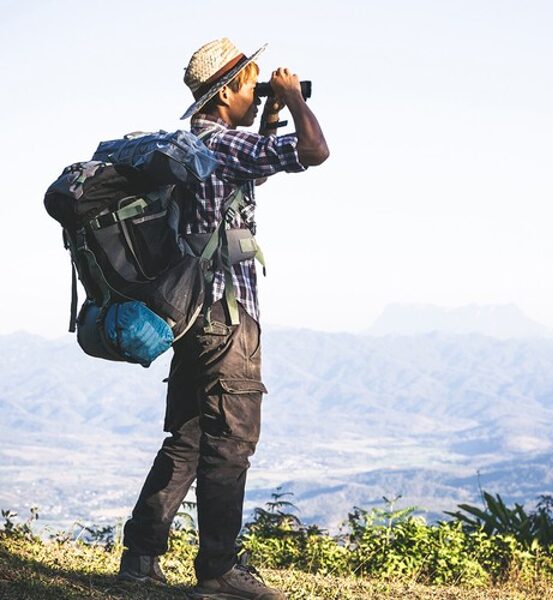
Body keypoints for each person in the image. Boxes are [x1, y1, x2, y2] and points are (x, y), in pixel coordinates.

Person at [118, 38, 329, 600]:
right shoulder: (227, 144)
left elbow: (249, 175)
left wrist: (268, 112)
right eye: (251, 84)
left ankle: (140, 556)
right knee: (231, 443)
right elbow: (315, 151)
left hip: (188, 317)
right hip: (228, 320)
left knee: (187, 438)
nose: (255, 90)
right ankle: (217, 569)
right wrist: (294, 101)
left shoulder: (195, 145)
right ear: (227, 92)